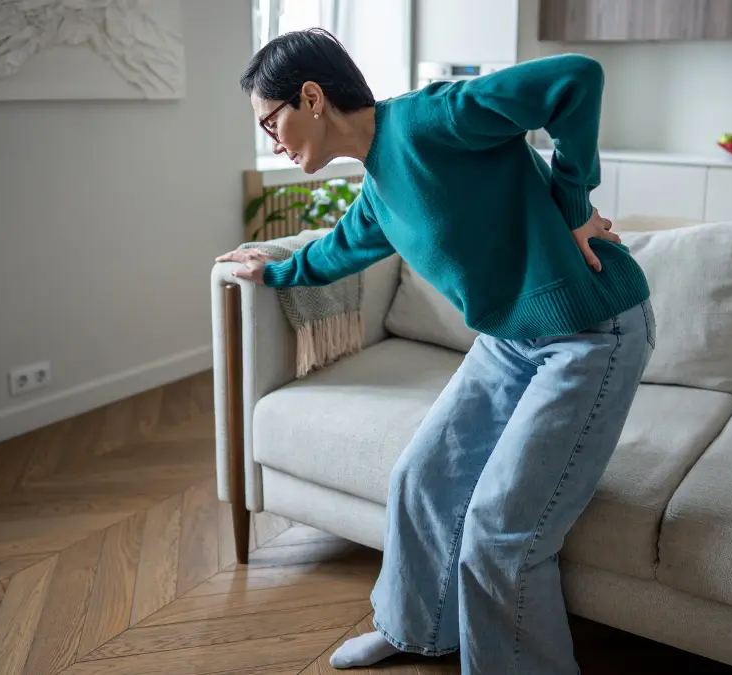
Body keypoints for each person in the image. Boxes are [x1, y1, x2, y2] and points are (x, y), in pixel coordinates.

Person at [216, 28, 654, 675]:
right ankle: (413, 627)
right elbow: (333, 253)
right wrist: (269, 268)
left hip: (590, 332)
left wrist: (572, 202)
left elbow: (576, 78)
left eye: (270, 121)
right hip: (510, 339)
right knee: (418, 479)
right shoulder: (377, 195)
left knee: (499, 534)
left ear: (311, 97)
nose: (270, 140)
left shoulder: (427, 121)